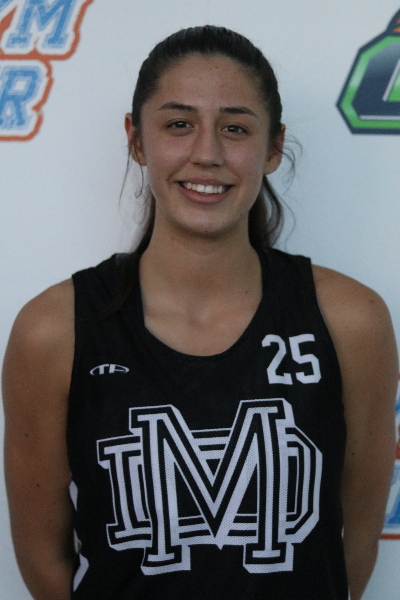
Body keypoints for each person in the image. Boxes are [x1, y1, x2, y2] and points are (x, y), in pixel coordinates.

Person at [2, 25, 398, 600]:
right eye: (178, 124)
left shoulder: (351, 321)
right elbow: (43, 558)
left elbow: (353, 546)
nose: (207, 153)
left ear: (273, 147)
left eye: (235, 128)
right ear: (137, 140)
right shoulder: (53, 331)